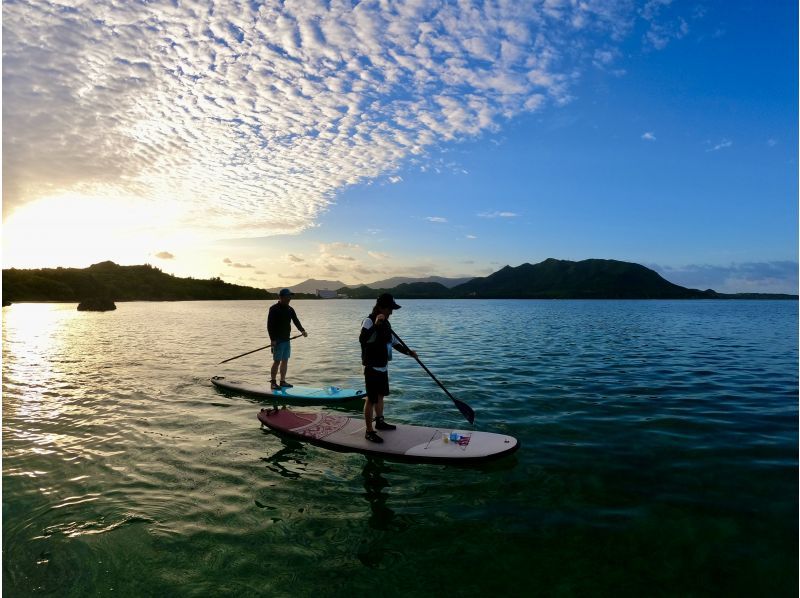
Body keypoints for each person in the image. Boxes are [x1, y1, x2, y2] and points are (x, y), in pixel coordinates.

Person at [359, 293, 417, 443]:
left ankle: (380, 421)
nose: (391, 312)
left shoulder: (387, 324)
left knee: (380, 395)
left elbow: (394, 342)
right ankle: (369, 431)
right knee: (371, 399)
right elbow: (363, 340)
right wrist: (377, 324)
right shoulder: (369, 321)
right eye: (389, 309)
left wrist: (408, 352)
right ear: (381, 307)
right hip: (371, 366)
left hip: (383, 365)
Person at [267, 289, 308, 389]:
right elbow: (270, 325)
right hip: (277, 340)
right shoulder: (274, 309)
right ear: (281, 297)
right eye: (288, 296)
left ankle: (282, 381)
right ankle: (273, 382)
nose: (290, 298)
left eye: (290, 296)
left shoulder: (290, 309)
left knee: (285, 360)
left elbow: (295, 321)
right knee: (277, 361)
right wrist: (272, 340)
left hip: (286, 339)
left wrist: (302, 330)